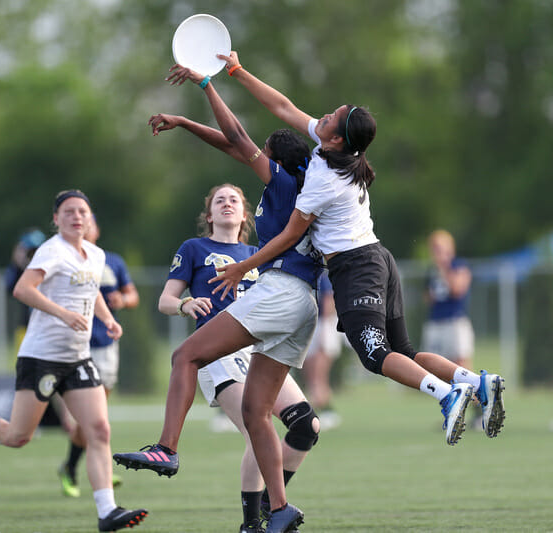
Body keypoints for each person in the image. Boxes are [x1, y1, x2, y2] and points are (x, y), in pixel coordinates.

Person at [209, 50, 505, 450]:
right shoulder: (335, 148)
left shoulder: (324, 178)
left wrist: (243, 265)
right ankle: (475, 382)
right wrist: (237, 71)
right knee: (405, 353)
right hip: (379, 258)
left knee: (375, 356)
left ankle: (448, 395)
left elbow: (289, 237)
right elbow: (282, 106)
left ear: (335, 138)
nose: (326, 114)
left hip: (356, 268)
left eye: (332, 116)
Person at [113, 66, 321, 533]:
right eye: (219, 199)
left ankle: (168, 448)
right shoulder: (301, 183)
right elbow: (233, 142)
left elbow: (237, 135)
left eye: (235, 196)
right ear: (207, 213)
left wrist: (207, 85)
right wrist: (186, 124)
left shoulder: (286, 185)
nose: (229, 200)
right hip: (291, 309)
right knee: (271, 421)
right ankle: (274, 511)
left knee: (189, 359)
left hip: (280, 300)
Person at [0, 190, 148, 532]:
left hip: (78, 358)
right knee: (19, 435)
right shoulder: (51, 251)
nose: (77, 217)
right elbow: (23, 289)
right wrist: (63, 314)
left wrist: (106, 318)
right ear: (56, 219)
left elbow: (91, 290)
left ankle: (107, 512)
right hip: (42, 358)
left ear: (90, 218)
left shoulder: (95, 254)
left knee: (99, 429)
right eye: (69, 212)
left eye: (83, 211)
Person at [57, 215, 140, 498]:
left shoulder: (112, 261)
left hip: (105, 345)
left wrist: (123, 301)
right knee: (91, 419)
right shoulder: (62, 259)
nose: (85, 224)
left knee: (96, 418)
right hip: (74, 345)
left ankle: (71, 465)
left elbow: (133, 295)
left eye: (90, 220)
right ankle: (89, 469)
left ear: (97, 228)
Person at [422, 230, 475, 372]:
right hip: (436, 321)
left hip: (455, 321)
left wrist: (444, 268)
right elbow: (427, 298)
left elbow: (458, 289)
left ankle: (469, 392)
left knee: (460, 362)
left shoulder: (459, 265)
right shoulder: (431, 270)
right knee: (434, 365)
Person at [301, 271, 344, 429]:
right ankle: (316, 410)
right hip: (309, 326)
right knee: (310, 375)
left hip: (322, 326)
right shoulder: (303, 277)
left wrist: (324, 330)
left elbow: (328, 301)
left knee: (319, 374)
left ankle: (326, 410)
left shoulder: (322, 278)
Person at [5, 228, 46, 348]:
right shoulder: (18, 271)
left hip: (48, 327)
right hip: (26, 326)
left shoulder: (50, 268)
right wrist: (18, 264)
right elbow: (9, 288)